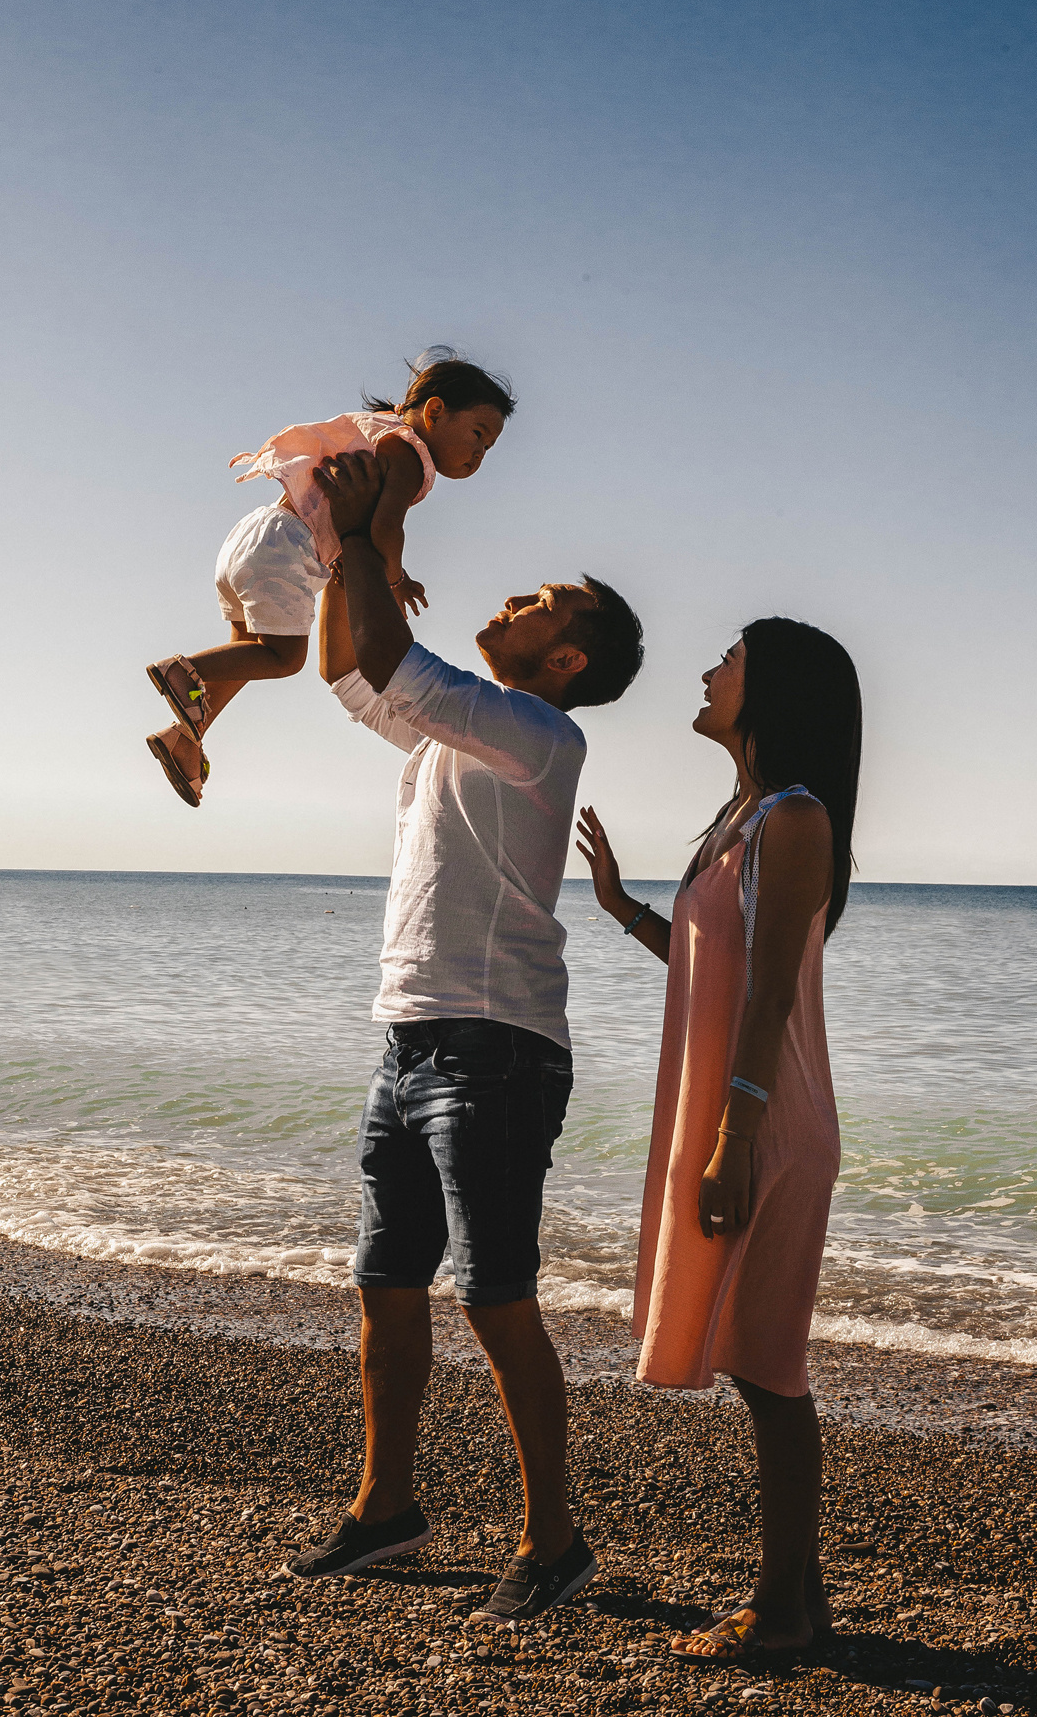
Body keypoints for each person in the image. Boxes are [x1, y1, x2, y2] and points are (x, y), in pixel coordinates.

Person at [284, 448, 644, 1625]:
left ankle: (557, 1540)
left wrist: (372, 529)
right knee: (385, 1285)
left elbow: (390, 656)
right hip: (408, 1042)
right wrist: (360, 548)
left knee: (496, 1296)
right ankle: (388, 1506)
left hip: (496, 1047)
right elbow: (350, 667)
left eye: (538, 605)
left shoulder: (541, 736)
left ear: (566, 660)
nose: (510, 602)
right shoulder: (459, 729)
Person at [576, 618, 862, 1665]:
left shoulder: (793, 819)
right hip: (741, 1109)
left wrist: (735, 1137)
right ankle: (803, 1600)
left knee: (770, 1365)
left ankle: (780, 1614)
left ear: (772, 690)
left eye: (730, 661)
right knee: (756, 1360)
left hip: (770, 1119)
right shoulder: (742, 816)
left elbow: (775, 991)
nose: (707, 673)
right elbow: (714, 970)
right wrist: (621, 911)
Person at [143, 351, 514, 806]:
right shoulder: (413, 458)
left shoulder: (377, 429)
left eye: (488, 449)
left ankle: (183, 739)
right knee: (283, 657)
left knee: (246, 654)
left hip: (255, 534)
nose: (479, 454)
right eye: (478, 436)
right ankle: (185, 669)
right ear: (435, 411)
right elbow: (384, 528)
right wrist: (395, 582)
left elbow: (369, 526)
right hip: (290, 550)